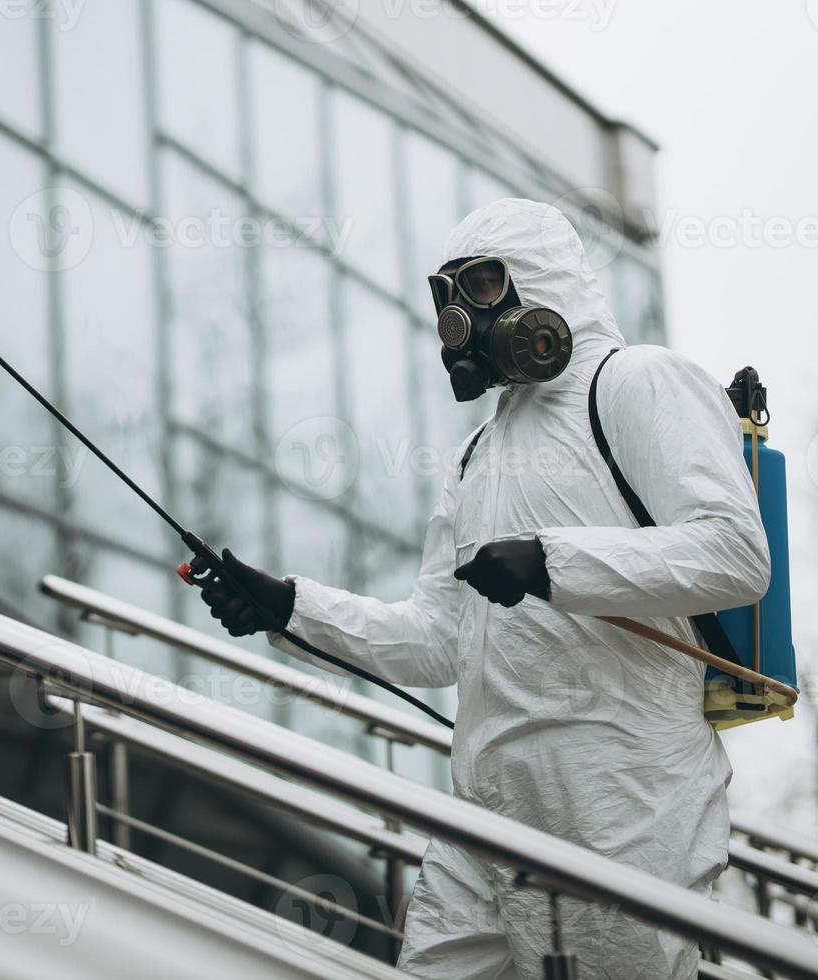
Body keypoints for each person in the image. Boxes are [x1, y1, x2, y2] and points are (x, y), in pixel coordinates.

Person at [199, 198, 770, 979]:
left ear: (542, 283)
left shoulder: (639, 381)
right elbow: (437, 638)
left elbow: (736, 553)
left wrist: (552, 563)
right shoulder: (479, 453)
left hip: (620, 798)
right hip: (488, 807)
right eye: (448, 297)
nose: (461, 318)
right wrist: (291, 607)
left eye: (483, 285)